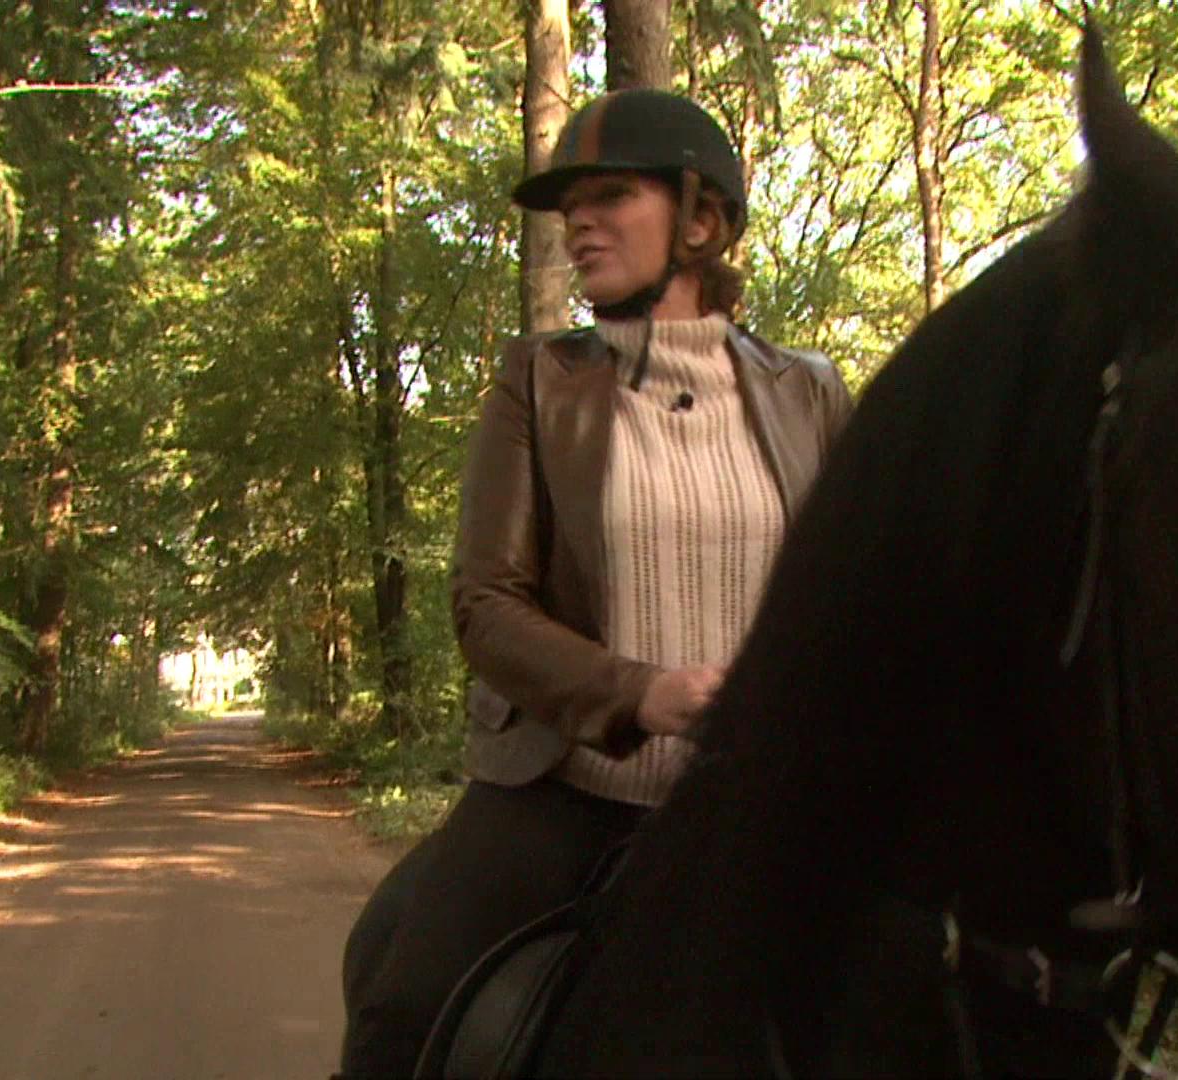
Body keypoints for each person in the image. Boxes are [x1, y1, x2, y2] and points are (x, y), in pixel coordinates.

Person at [336, 88, 854, 1079]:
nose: (579, 223)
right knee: (405, 1001)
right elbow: (486, 605)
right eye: (570, 206)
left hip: (765, 805)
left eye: (610, 196)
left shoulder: (811, 392)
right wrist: (640, 694)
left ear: (700, 221)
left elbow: (853, 596)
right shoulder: (536, 380)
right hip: (565, 791)